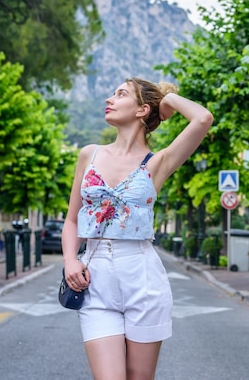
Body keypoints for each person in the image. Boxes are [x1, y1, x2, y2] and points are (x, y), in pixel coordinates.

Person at [61, 77, 213, 380]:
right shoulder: (88, 155)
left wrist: (167, 101)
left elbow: (203, 118)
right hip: (96, 280)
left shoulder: (157, 163)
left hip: (142, 278)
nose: (109, 98)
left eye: (120, 94)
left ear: (142, 109)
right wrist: (69, 260)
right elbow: (73, 219)